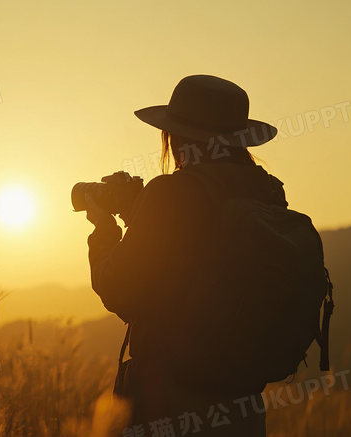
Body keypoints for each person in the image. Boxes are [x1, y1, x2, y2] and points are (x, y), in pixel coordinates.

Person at [84, 75, 288, 436]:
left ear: (175, 136)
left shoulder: (171, 193)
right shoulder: (268, 192)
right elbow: (206, 263)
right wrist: (139, 214)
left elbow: (120, 290)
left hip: (171, 405)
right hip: (242, 410)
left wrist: (104, 229)